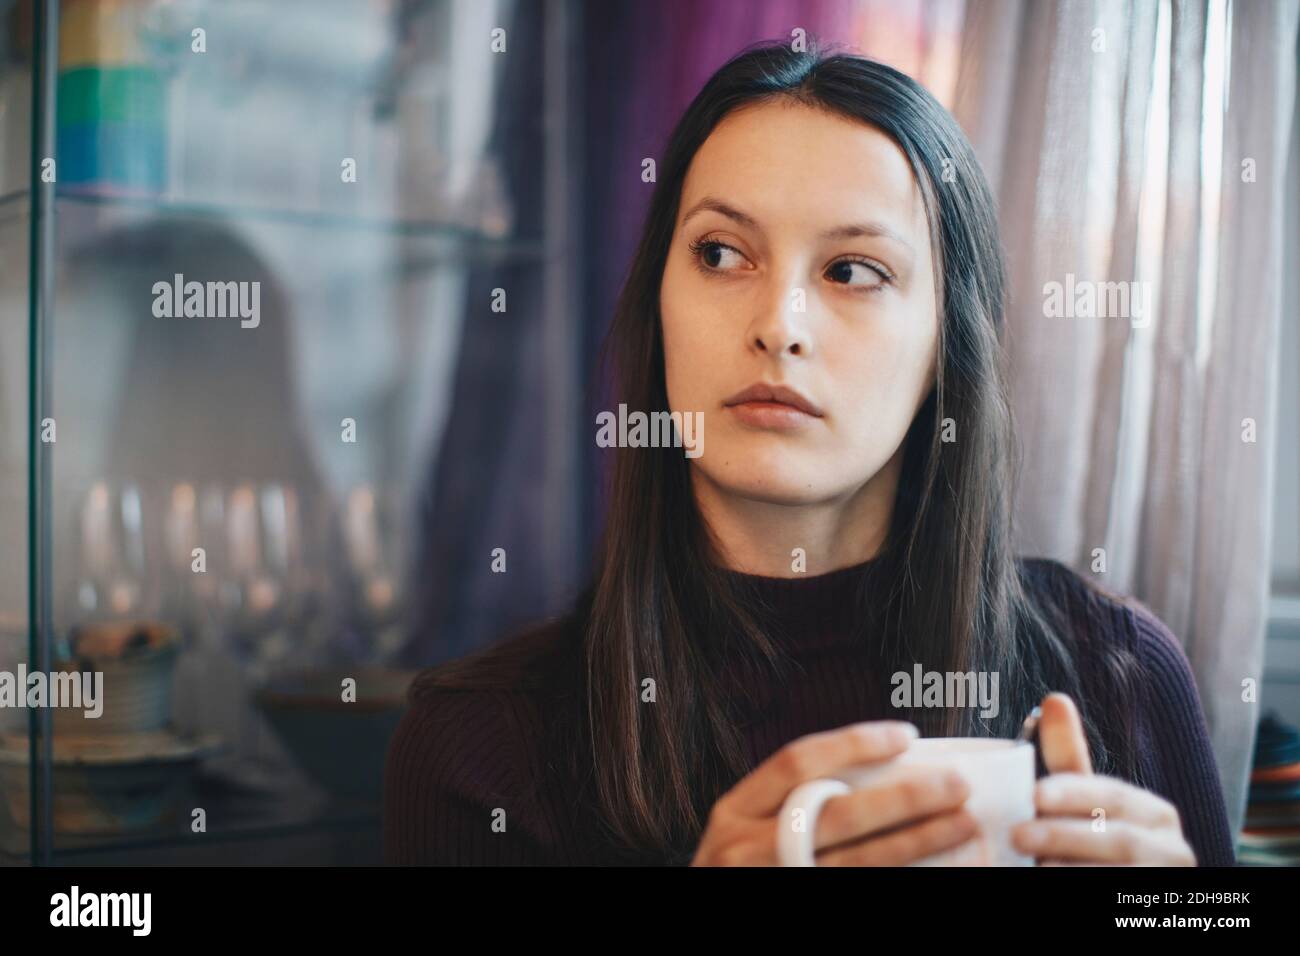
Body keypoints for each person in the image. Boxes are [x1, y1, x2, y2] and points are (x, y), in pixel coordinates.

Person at [383, 42, 1235, 867]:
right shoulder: (480, 743)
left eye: (853, 271)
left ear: (948, 344)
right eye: (721, 254)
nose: (779, 325)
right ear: (659, 306)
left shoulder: (1119, 675)